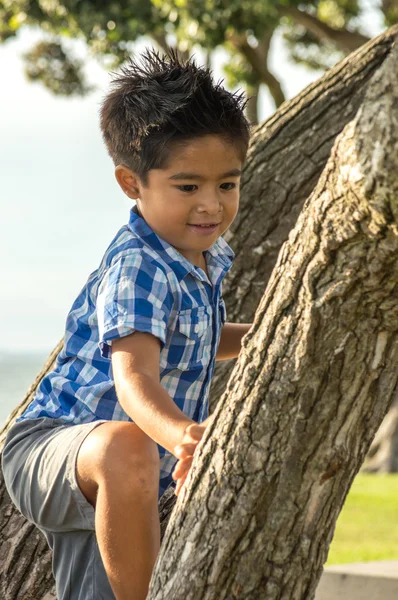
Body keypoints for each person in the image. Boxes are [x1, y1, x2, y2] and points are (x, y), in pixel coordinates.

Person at [2, 46, 253, 600]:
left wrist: (266, 339)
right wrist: (185, 435)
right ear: (131, 183)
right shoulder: (139, 263)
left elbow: (198, 343)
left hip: (131, 473)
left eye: (227, 185)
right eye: (188, 187)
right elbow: (134, 377)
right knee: (128, 447)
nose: (210, 205)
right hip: (55, 447)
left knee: (97, 581)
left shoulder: (203, 259)